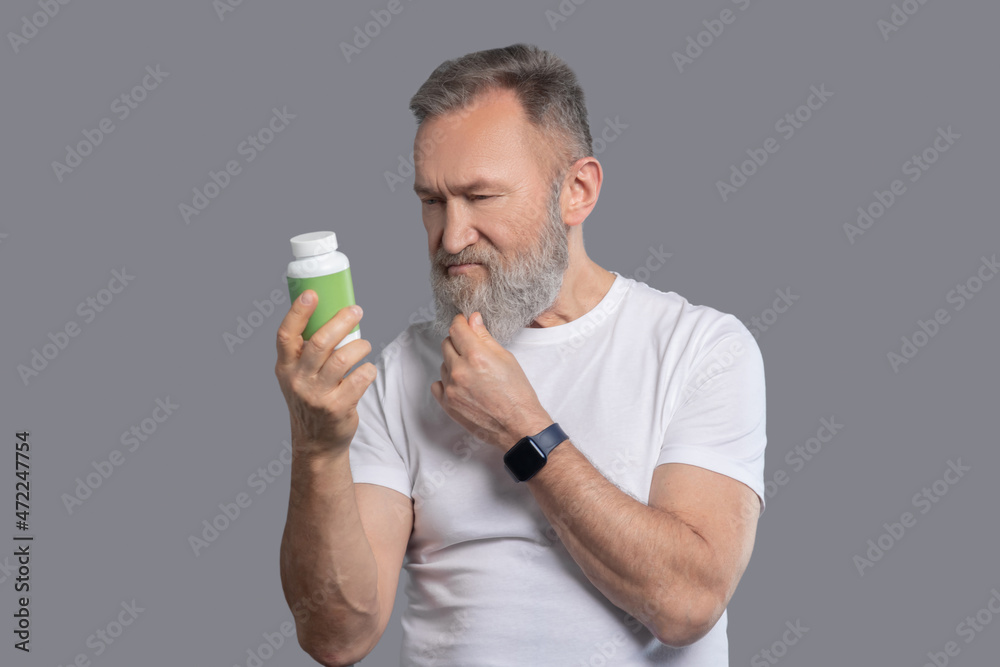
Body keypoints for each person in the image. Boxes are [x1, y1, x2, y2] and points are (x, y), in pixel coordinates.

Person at [275, 43, 767, 667]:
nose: (452, 236)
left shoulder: (700, 349)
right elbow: (337, 637)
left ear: (577, 191)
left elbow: (688, 605)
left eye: (481, 197)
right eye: (433, 201)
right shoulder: (398, 371)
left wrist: (523, 429)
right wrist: (317, 449)